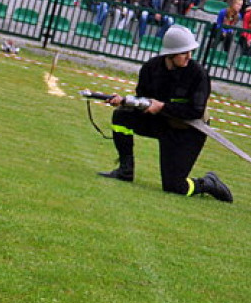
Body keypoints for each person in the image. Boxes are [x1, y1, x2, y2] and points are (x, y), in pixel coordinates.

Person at [98, 25, 233, 202]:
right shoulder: (151, 68)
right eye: (184, 52)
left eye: (190, 51)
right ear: (170, 53)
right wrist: (125, 101)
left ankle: (208, 183)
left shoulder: (198, 74)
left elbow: (195, 111)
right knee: (122, 115)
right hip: (161, 123)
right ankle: (125, 170)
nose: (189, 56)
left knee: (174, 187)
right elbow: (143, 99)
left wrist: (162, 107)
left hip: (188, 132)